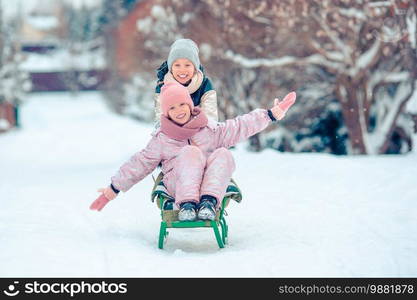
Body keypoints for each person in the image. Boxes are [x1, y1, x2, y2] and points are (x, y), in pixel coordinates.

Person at [90, 82, 296, 222]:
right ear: (166, 113)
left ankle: (208, 203)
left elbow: (239, 126)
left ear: (190, 105)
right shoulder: (162, 139)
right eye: (172, 108)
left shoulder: (210, 129)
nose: (179, 110)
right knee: (189, 152)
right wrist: (113, 189)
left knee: (223, 154)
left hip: (210, 186)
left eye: (182, 104)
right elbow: (140, 163)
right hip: (179, 186)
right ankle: (188, 206)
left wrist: (270, 115)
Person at [154, 38, 218, 127]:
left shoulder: (205, 85)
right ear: (171, 68)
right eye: (177, 65)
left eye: (187, 65)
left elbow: (210, 117)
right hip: (173, 132)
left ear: (195, 68)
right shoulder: (163, 85)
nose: (182, 70)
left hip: (199, 131)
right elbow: (160, 118)